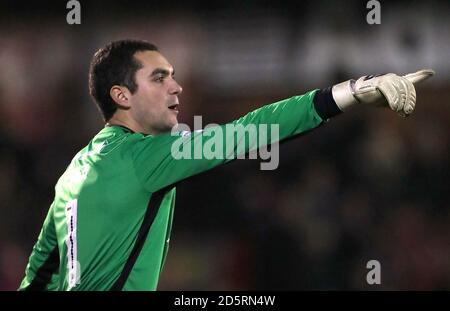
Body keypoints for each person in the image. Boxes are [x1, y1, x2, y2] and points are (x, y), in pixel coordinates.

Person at [18, 39, 434, 291]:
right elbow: (252, 131)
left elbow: (39, 273)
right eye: (159, 78)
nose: (175, 86)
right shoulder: (146, 157)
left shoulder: (76, 167)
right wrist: (351, 93)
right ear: (122, 96)